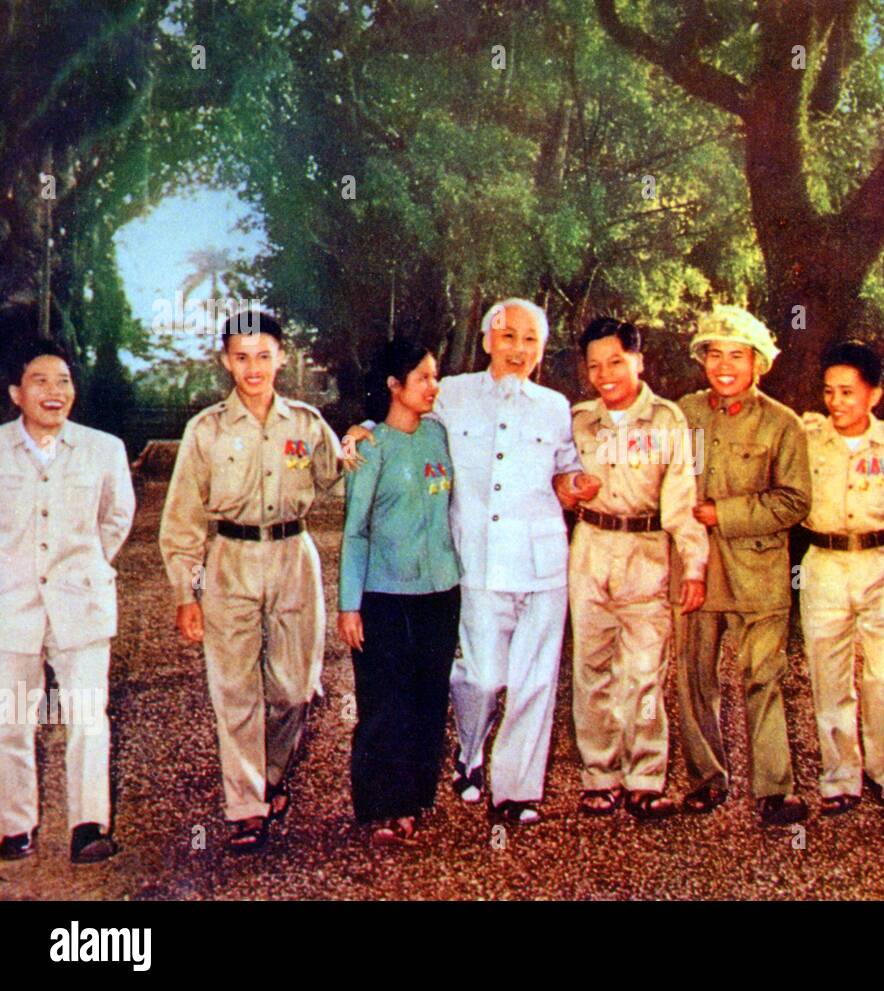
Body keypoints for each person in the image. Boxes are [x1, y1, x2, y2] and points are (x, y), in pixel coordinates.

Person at [346, 298, 588, 825]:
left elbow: (565, 470)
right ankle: (470, 752)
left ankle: (516, 791)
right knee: (481, 679)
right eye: (509, 337)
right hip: (474, 562)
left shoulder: (554, 405)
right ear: (487, 340)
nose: (519, 349)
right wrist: (360, 429)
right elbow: (400, 413)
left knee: (535, 681)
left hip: (542, 563)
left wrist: (574, 485)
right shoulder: (450, 394)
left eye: (531, 340)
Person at [159, 311, 344, 854]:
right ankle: (245, 807)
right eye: (241, 356)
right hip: (231, 559)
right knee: (235, 689)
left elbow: (339, 475)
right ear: (226, 361)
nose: (253, 367)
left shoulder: (306, 424)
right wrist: (184, 594)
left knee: (293, 688)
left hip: (293, 557)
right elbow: (182, 521)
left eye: (264, 355)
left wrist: (368, 437)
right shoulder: (207, 430)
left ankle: (272, 773)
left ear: (282, 358)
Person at [556, 317, 708, 821]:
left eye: (616, 362)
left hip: (647, 551)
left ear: (638, 361)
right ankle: (599, 776)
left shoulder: (666, 420)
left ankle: (645, 776)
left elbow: (682, 499)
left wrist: (694, 566)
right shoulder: (577, 420)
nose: (605, 375)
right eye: (595, 366)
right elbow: (552, 477)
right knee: (592, 669)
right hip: (591, 547)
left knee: (644, 674)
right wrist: (567, 488)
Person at [672, 305, 812, 826]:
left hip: (757, 573)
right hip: (696, 570)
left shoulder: (782, 424)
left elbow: (795, 500)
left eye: (737, 355)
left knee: (763, 678)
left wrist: (725, 513)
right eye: (714, 354)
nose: (724, 365)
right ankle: (705, 779)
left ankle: (774, 790)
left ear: (759, 363)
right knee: (693, 679)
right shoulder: (682, 413)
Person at [0, 341, 135, 863]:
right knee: (10, 719)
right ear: (16, 392)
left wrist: (87, 566)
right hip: (11, 605)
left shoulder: (104, 449)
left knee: (87, 716)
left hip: (81, 603)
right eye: (40, 381)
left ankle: (88, 826)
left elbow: (117, 517)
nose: (54, 393)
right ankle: (14, 826)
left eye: (63, 381)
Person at [338, 339, 461, 846]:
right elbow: (355, 530)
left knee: (429, 699)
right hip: (384, 595)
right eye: (424, 379)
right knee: (384, 702)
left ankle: (414, 798)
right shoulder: (370, 446)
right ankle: (381, 806)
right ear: (394, 386)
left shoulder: (438, 435)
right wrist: (350, 605)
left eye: (436, 377)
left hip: (440, 591)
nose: (434, 387)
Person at [800, 340, 884, 817]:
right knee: (830, 678)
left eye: (848, 392)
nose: (837, 403)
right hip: (824, 563)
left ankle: (882, 772)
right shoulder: (806, 437)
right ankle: (840, 776)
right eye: (829, 392)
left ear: (874, 394)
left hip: (881, 563)